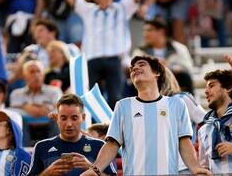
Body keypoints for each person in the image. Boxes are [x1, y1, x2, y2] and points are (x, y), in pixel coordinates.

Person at [47, 0, 153, 108]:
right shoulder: (88, 10)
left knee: (116, 98)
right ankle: (95, 131)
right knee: (90, 100)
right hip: (93, 59)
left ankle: (116, 131)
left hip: (114, 59)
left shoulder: (122, 8)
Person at [80, 55, 210, 175]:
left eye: (141, 65)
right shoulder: (123, 106)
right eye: (132, 68)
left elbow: (184, 142)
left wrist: (195, 168)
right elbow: (112, 144)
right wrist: (95, 169)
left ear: (157, 73)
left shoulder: (177, 104)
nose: (135, 68)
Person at [27, 94, 116, 176]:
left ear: (83, 117)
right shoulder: (41, 147)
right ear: (57, 118)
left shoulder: (99, 146)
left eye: (74, 118)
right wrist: (47, 173)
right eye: (64, 118)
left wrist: (92, 169)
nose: (69, 124)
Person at [160, 66, 206, 173]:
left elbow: (208, 122)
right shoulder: (145, 107)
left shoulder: (182, 99)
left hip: (182, 166)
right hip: (158, 168)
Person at [132, 18, 195, 94]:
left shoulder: (179, 48)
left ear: (161, 32)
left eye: (149, 30)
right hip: (148, 84)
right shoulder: (139, 51)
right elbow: (132, 69)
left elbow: (188, 68)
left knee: (185, 77)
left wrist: (169, 67)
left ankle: (186, 102)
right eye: (144, 30)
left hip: (174, 82)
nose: (145, 34)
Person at [10, 60, 62, 146]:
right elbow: (14, 113)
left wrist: (25, 106)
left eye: (39, 71)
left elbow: (59, 110)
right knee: (17, 120)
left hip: (50, 124)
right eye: (32, 72)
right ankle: (23, 152)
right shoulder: (16, 93)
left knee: (58, 118)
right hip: (26, 126)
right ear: (24, 76)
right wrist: (44, 108)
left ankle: (56, 151)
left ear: (43, 75)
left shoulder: (54, 91)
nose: (36, 75)